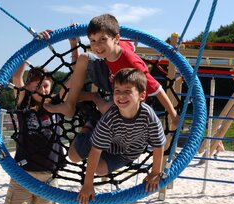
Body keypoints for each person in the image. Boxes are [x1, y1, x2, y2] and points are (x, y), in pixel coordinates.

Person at [43, 13, 179, 128]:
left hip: (129, 95)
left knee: (106, 108)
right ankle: (69, 105)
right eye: (93, 40)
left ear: (116, 39)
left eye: (103, 39)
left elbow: (157, 88)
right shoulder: (111, 49)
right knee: (81, 63)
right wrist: (74, 38)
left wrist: (173, 115)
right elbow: (77, 69)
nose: (97, 46)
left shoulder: (131, 63)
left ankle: (95, 99)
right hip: (110, 80)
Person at [3, 32, 78, 204]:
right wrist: (34, 44)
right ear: (29, 88)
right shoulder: (23, 104)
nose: (42, 89)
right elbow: (17, 75)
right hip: (22, 175)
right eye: (37, 86)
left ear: (51, 86)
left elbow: (76, 76)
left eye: (45, 85)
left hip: (49, 177)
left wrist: (73, 43)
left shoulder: (57, 105)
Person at [71, 68, 166, 204]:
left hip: (126, 152)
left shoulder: (148, 116)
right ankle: (89, 124)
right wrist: (87, 185)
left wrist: (155, 172)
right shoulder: (110, 118)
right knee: (73, 156)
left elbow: (158, 144)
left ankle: (93, 122)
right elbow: (95, 151)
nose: (121, 96)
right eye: (117, 91)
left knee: (100, 170)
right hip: (104, 140)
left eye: (127, 91)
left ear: (142, 95)